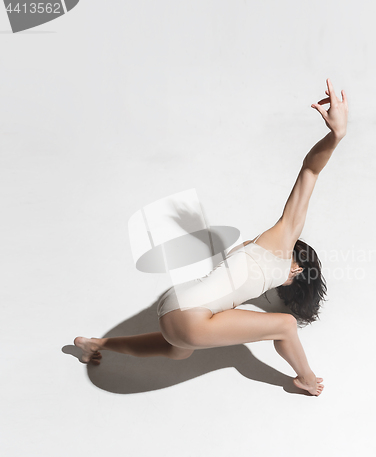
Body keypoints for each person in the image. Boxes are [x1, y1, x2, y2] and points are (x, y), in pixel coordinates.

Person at [75, 78, 348, 396]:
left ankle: (99, 343)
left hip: (172, 305)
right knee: (284, 327)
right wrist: (335, 136)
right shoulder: (282, 244)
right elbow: (310, 172)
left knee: (178, 348)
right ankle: (306, 379)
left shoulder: (249, 250)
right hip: (189, 317)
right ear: (298, 267)